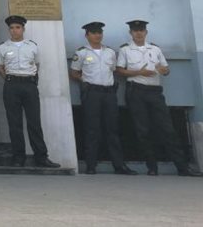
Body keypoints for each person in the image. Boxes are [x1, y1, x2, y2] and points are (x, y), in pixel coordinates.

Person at [115, 19, 203, 177]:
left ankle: (182, 167)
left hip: (155, 91)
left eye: (141, 30)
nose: (139, 33)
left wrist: (164, 70)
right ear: (131, 33)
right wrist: (138, 73)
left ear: (146, 32)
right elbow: (120, 71)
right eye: (136, 31)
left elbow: (166, 69)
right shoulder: (125, 50)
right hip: (136, 91)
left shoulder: (155, 49)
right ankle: (152, 167)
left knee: (167, 129)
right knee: (143, 130)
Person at [69, 22, 136, 175]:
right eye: (93, 33)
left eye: (99, 32)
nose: (97, 35)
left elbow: (113, 71)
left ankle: (119, 165)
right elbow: (74, 73)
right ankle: (91, 165)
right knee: (92, 129)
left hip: (109, 94)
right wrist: (85, 81)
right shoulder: (81, 53)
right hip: (92, 94)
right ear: (87, 35)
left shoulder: (110, 52)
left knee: (113, 129)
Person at [0, 16, 58, 168]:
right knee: (14, 123)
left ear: (23, 29)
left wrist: (30, 80)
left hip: (29, 85)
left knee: (34, 122)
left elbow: (37, 65)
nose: (14, 30)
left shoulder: (32, 46)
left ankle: (41, 157)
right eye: (12, 28)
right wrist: (10, 79)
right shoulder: (3, 47)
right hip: (11, 85)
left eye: (17, 27)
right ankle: (18, 157)